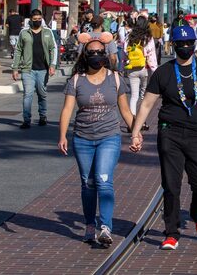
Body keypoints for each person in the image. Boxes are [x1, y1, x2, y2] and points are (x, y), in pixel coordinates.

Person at [130, 25, 197, 250]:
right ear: (173, 45)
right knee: (171, 185)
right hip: (170, 132)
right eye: (180, 44)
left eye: (189, 44)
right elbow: (146, 104)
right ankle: (171, 232)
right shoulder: (163, 72)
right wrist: (135, 132)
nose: (185, 48)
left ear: (195, 45)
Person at [58, 32, 134, 246]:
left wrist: (135, 133)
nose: (96, 55)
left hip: (109, 136)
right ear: (85, 55)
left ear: (106, 54)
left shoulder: (116, 79)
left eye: (100, 52)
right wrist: (62, 135)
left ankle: (105, 227)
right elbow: (67, 110)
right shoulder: (76, 80)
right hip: (82, 138)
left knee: (103, 181)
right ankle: (90, 224)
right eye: (91, 52)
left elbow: (126, 111)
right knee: (88, 183)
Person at [12, 9, 58, 129]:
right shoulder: (24, 32)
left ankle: (42, 116)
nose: (37, 21)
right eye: (35, 19)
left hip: (43, 69)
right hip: (28, 69)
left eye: (39, 19)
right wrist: (15, 68)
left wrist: (52, 65)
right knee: (28, 94)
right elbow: (18, 50)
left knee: (42, 93)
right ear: (30, 20)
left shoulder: (48, 32)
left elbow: (53, 48)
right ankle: (26, 120)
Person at [124, 15, 158, 125]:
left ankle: (131, 121)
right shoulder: (148, 37)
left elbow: (125, 51)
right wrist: (154, 69)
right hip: (145, 69)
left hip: (132, 68)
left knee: (134, 96)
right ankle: (141, 122)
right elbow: (151, 55)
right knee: (143, 95)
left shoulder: (130, 36)